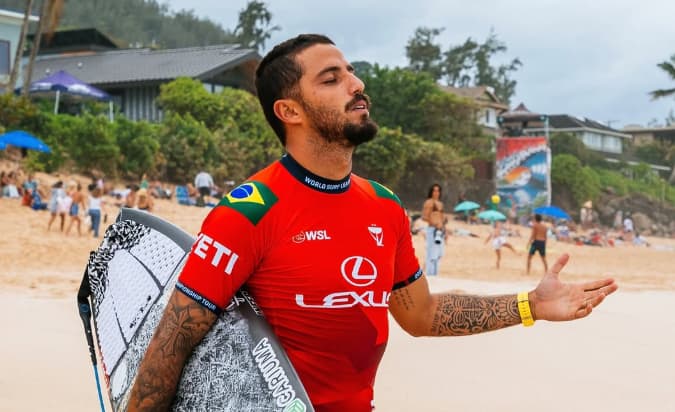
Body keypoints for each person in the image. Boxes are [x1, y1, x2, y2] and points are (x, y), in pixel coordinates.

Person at [128, 34, 617, 412]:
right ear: (289, 111)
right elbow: (172, 341)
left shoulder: (382, 207)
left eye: (352, 72)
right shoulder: (249, 210)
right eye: (331, 78)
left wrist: (528, 305)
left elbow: (421, 316)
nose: (356, 84)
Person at [421, 183, 447, 276]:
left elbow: (442, 218)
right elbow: (424, 217)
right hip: (432, 230)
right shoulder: (429, 203)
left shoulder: (440, 204)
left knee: (439, 253)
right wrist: (434, 223)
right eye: (434, 190)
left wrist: (444, 229)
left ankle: (435, 275)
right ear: (431, 192)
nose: (436, 192)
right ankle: (430, 275)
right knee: (431, 254)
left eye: (438, 190)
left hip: (440, 231)